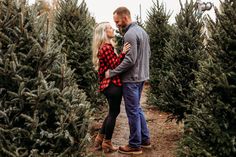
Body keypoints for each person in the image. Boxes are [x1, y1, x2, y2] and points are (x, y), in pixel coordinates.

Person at [105, 7, 151, 155]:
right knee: (137, 109)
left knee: (132, 111)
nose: (117, 25)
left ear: (125, 18)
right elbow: (147, 54)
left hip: (131, 79)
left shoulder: (130, 34)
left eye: (117, 22)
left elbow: (130, 60)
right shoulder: (142, 32)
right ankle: (145, 139)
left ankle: (135, 145)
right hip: (141, 76)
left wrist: (112, 72)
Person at [92, 22, 131, 153]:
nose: (112, 29)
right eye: (109, 28)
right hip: (112, 84)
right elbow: (114, 65)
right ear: (104, 32)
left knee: (111, 113)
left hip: (108, 85)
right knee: (114, 113)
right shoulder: (106, 48)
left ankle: (99, 139)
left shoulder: (105, 47)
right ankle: (107, 143)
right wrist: (124, 53)